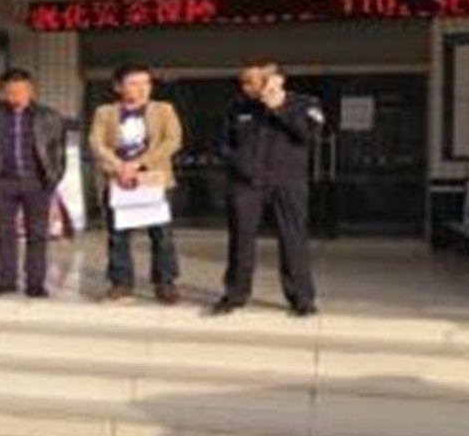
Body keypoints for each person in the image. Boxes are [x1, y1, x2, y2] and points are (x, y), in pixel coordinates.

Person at [210, 64, 324, 317]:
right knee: (240, 240)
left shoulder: (305, 104)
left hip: (288, 184)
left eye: (252, 81)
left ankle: (301, 298)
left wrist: (278, 108)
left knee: (293, 240)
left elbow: (309, 135)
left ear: (274, 80)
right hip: (246, 184)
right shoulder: (238, 108)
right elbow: (223, 146)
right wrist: (241, 164)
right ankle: (235, 294)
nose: (246, 87)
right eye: (243, 82)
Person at [89, 64, 183, 304]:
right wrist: (119, 167)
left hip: (155, 180)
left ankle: (165, 283)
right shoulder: (105, 112)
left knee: (162, 235)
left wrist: (139, 164)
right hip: (119, 180)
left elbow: (172, 141)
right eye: (134, 83)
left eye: (146, 83)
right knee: (118, 236)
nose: (142, 88)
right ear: (118, 87)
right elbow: (96, 143)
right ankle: (121, 284)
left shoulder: (163, 109)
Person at [0, 68, 67, 298]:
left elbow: (58, 150)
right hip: (1, 183)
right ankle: (6, 281)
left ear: (31, 90)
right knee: (3, 235)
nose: (17, 96)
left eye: (22, 91)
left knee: (37, 235)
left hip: (37, 183)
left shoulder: (49, 116)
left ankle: (35, 284)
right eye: (11, 91)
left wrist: (53, 178)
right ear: (2, 92)